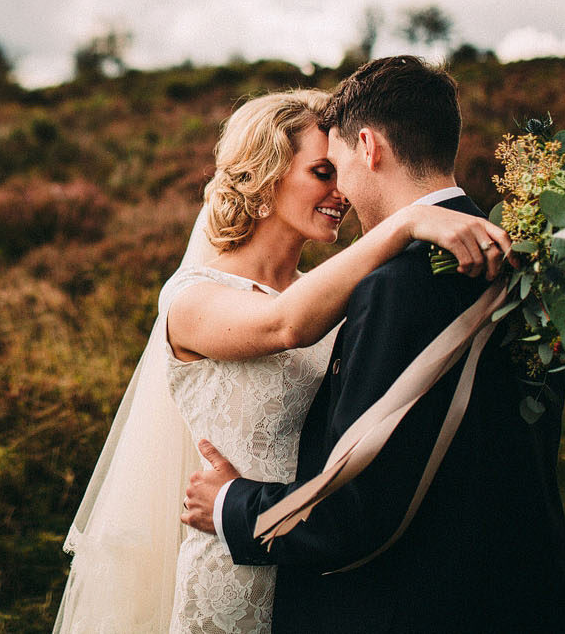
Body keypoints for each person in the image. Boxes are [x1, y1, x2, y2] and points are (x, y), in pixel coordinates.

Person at [55, 88, 511, 634]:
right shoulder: (192, 299)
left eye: (340, 171)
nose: (341, 192)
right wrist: (407, 223)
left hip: (322, 560)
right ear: (267, 175)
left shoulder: (334, 293)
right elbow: (285, 326)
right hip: (233, 559)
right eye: (322, 172)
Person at [181, 57, 565, 634]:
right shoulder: (528, 258)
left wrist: (230, 504)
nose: (341, 191)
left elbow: (360, 508)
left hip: (416, 601)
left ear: (367, 147)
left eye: (336, 165)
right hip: (529, 589)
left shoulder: (394, 287)